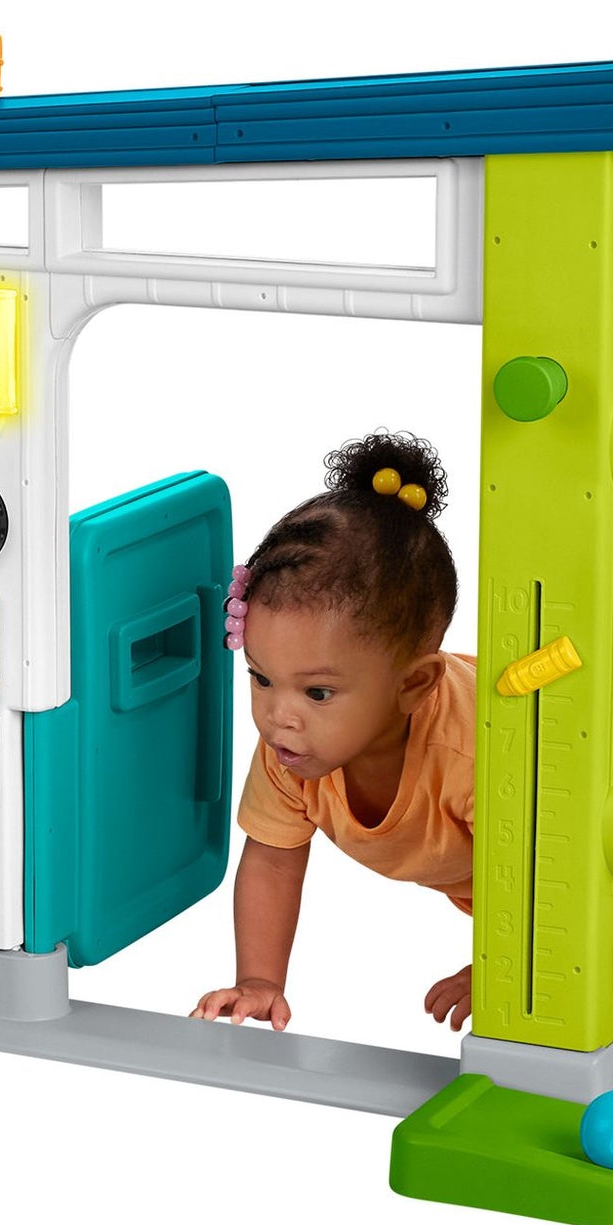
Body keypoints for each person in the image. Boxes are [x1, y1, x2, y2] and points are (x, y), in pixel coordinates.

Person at [190, 431, 479, 1032]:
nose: (279, 715)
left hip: (583, 856)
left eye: (317, 692)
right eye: (262, 678)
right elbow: (273, 859)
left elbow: (549, 874)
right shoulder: (293, 750)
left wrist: (506, 966)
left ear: (413, 686)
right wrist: (260, 982)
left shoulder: (473, 758)